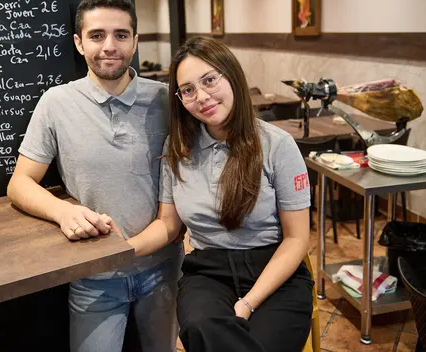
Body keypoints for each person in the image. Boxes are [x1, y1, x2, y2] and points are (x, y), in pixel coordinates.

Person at [8, 0, 183, 352]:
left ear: (135, 41)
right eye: (96, 35)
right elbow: (20, 183)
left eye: (121, 35)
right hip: (91, 274)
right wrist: (64, 212)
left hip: (164, 269)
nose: (109, 46)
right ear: (78, 42)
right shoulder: (56, 102)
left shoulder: (167, 100)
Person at [125, 37, 313, 352]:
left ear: (231, 75)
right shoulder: (178, 148)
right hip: (207, 273)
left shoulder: (277, 145)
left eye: (210, 80)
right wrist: (121, 251)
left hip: (275, 271)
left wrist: (249, 303)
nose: (202, 96)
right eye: (188, 90)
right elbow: (169, 226)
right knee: (200, 326)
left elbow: (296, 239)